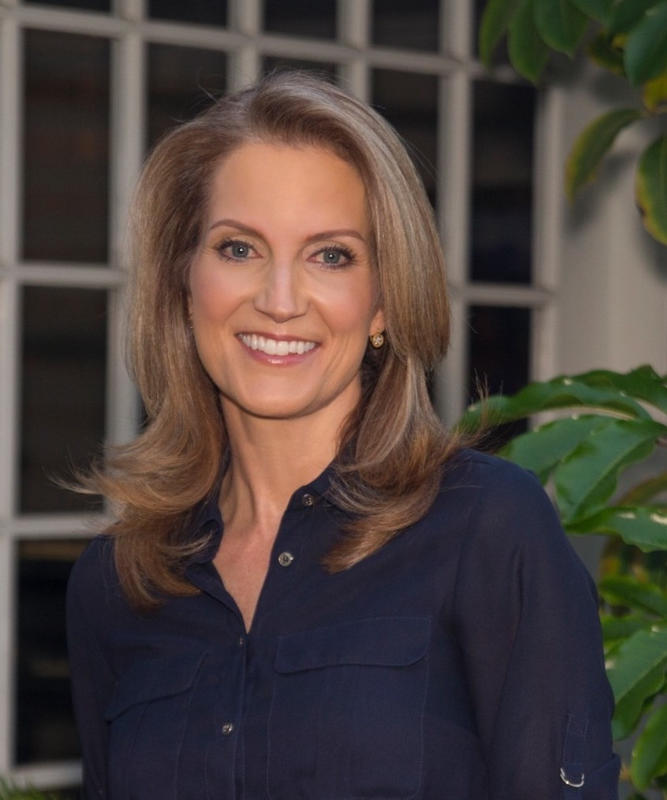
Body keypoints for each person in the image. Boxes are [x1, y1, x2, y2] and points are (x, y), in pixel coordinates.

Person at [67, 72, 619, 799]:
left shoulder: (485, 527)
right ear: (182, 282)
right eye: (239, 248)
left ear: (384, 301)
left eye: (330, 255)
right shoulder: (120, 578)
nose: (280, 301)